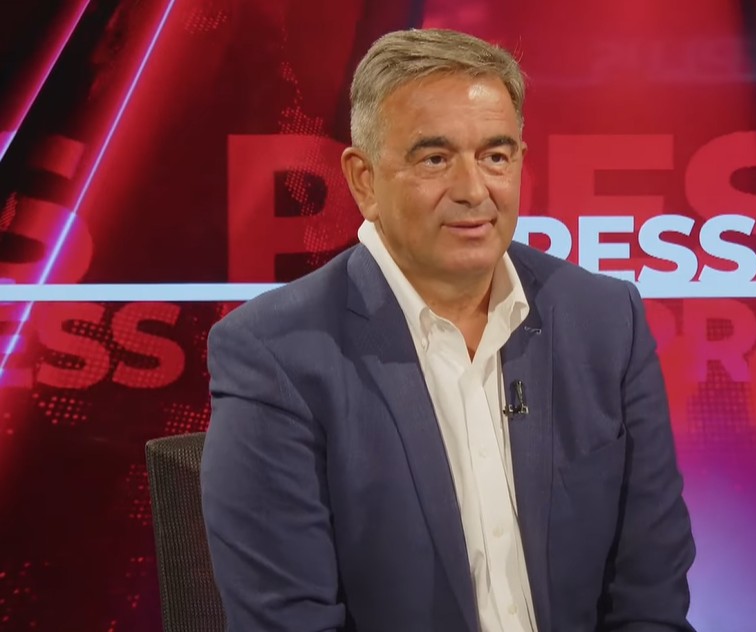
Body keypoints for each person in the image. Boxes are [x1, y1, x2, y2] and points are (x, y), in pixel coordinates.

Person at [200, 27, 696, 632]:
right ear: (363, 180)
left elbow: (651, 591)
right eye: (434, 159)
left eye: (495, 156)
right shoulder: (276, 355)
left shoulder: (605, 321)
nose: (473, 190)